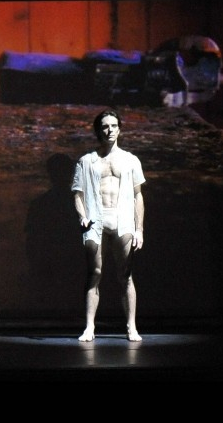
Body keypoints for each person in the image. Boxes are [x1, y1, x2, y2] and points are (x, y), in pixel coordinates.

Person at [73, 109, 146, 342]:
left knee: (125, 274)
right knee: (94, 273)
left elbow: (138, 195)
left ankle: (131, 327)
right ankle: (89, 327)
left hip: (122, 220)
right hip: (96, 220)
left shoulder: (130, 160)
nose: (110, 130)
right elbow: (77, 193)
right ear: (98, 130)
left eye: (114, 125)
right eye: (105, 126)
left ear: (119, 129)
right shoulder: (87, 161)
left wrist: (139, 229)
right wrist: (82, 216)